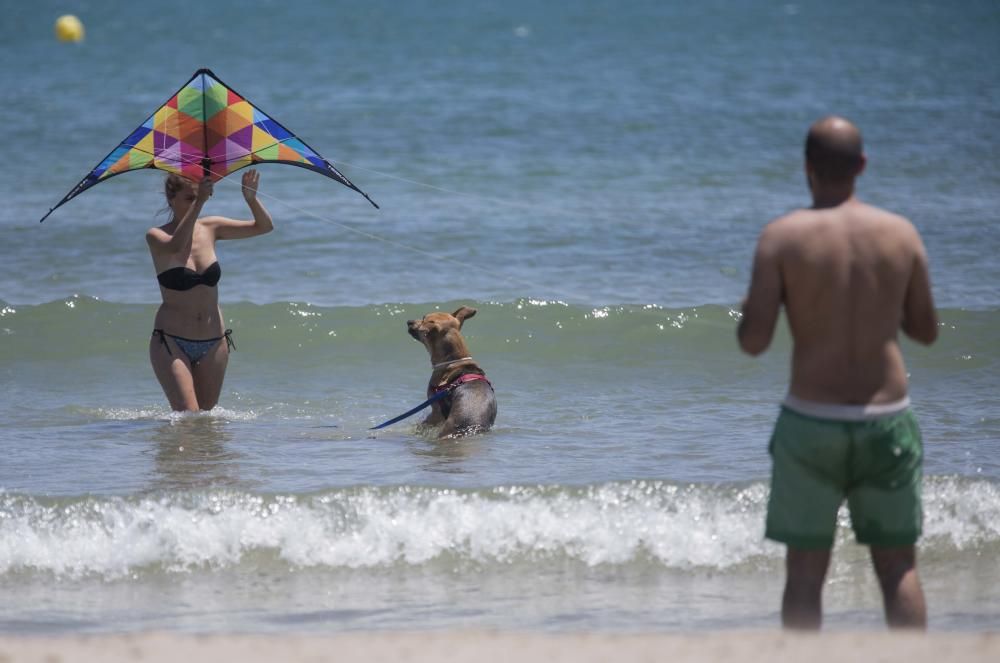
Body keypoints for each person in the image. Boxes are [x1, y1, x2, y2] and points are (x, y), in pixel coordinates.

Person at [737, 116, 938, 630]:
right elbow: (925, 331)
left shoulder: (781, 237)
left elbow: (754, 342)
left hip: (811, 422)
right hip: (886, 417)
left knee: (805, 570)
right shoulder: (900, 233)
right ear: (862, 165)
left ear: (806, 168)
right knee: (897, 566)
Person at [147, 169, 273, 411]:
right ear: (171, 198)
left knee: (206, 420)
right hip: (172, 341)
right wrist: (201, 201)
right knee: (187, 415)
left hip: (213, 340)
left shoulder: (211, 227)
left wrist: (251, 199)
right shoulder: (156, 235)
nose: (197, 203)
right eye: (189, 198)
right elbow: (176, 246)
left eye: (199, 198)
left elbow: (264, 227)